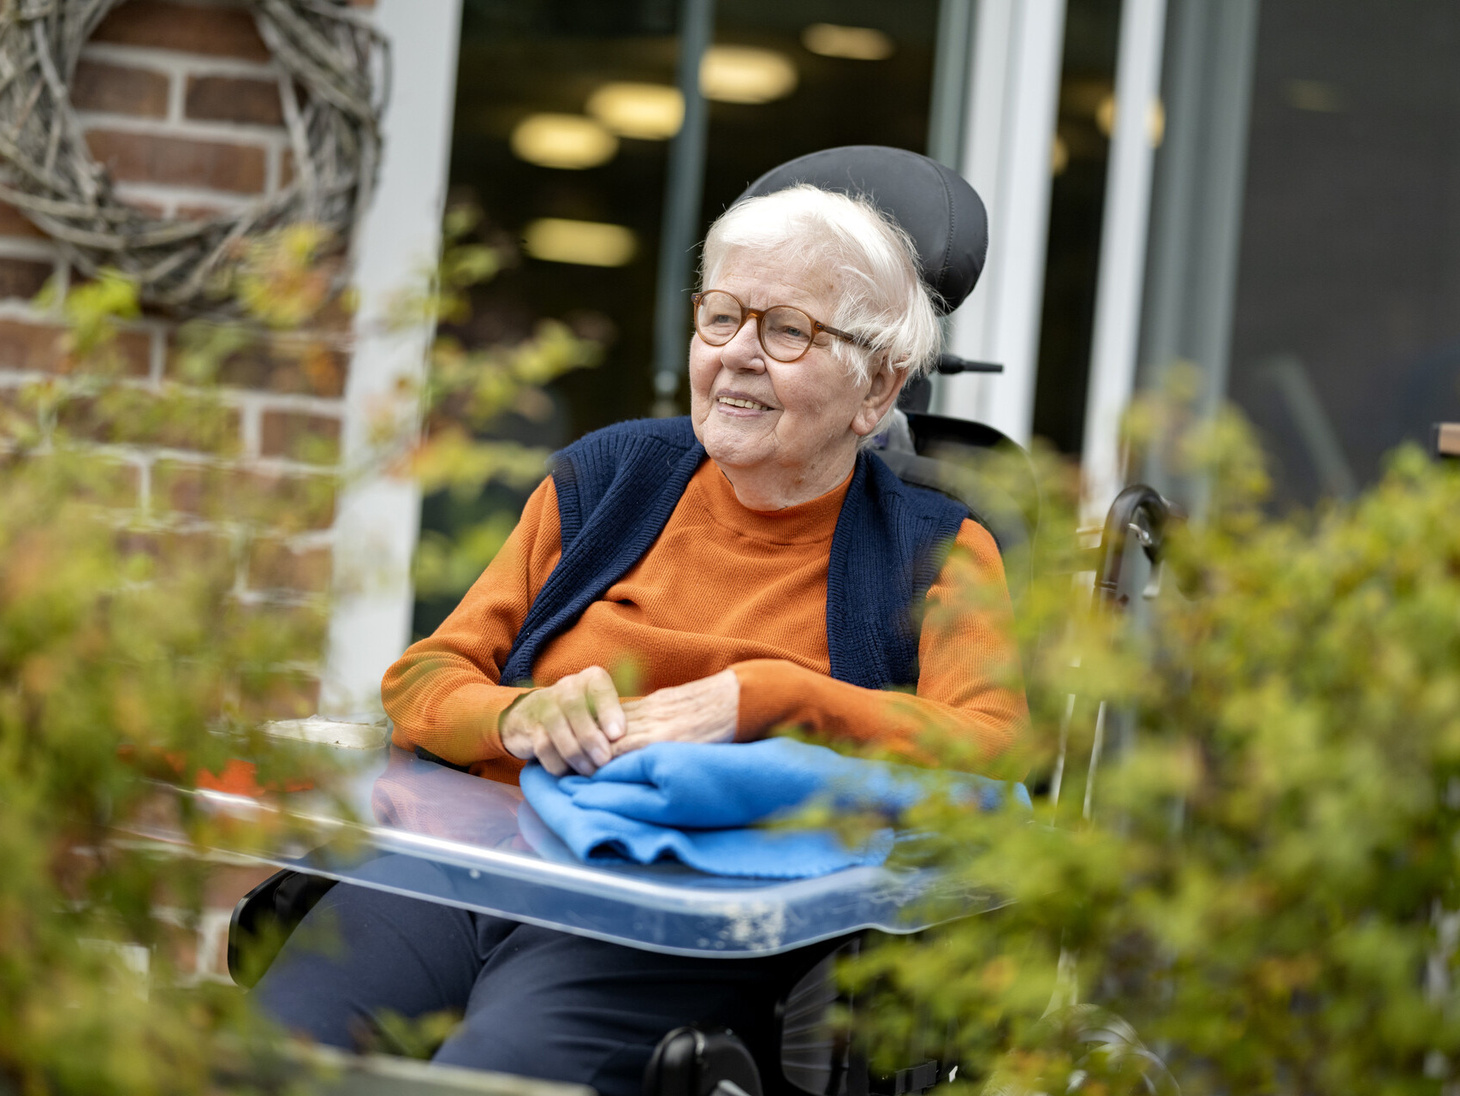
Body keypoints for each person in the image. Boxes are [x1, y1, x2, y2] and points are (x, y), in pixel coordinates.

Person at [255, 182, 1028, 1096]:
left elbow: (989, 747)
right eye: (722, 316)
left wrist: (769, 700)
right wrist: (520, 715)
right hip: (472, 864)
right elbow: (427, 677)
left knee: (482, 1083)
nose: (738, 354)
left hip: (660, 913)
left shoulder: (933, 548)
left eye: (788, 331)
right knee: (274, 1061)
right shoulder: (610, 478)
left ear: (879, 388)